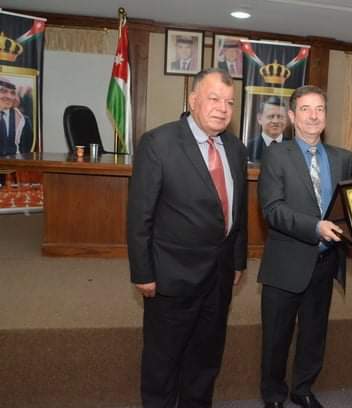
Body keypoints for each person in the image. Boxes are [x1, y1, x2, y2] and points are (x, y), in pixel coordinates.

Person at [127, 68, 248, 408]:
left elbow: (238, 211)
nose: (223, 108)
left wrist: (238, 260)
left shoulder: (236, 149)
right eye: (214, 99)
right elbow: (139, 215)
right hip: (171, 275)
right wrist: (143, 272)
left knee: (205, 359)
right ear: (193, 100)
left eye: (230, 102)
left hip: (220, 275)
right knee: (163, 362)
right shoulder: (158, 143)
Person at [258, 85, 352, 408]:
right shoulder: (276, 155)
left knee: (314, 333)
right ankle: (273, 394)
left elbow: (350, 205)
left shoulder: (341, 158)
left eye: (320, 109)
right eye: (305, 109)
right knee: (276, 336)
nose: (314, 116)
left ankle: (302, 388)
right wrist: (315, 227)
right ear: (291, 116)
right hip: (286, 263)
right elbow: (272, 210)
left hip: (324, 264)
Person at [247, 96, 289, 163]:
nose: (275, 121)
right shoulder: (248, 148)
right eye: (271, 116)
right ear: (259, 119)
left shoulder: (295, 147)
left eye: (280, 116)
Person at [0, 77, 33, 156]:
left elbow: (26, 152)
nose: (9, 96)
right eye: (3, 91)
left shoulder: (24, 120)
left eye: (12, 93)